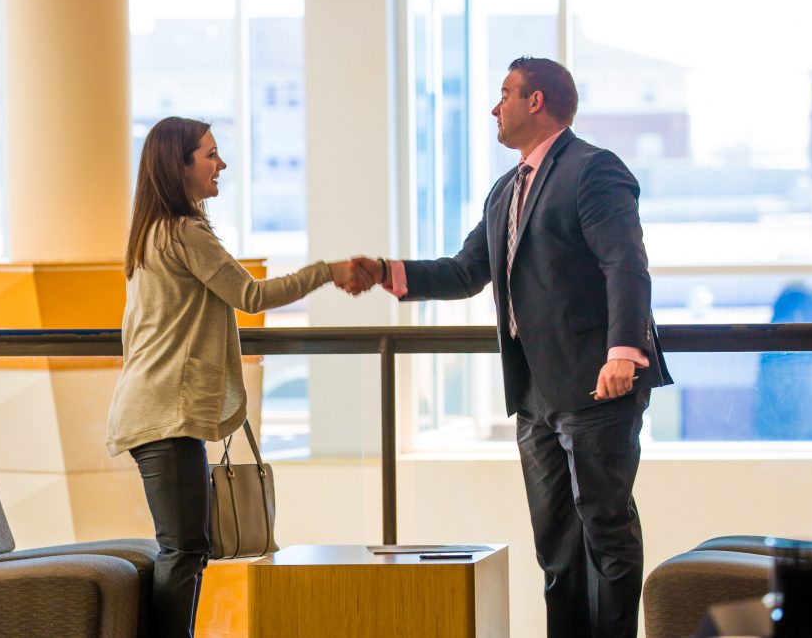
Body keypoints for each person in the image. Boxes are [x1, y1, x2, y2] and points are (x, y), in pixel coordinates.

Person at [351, 57, 672, 637]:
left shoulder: (593, 170)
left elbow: (625, 263)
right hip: (534, 394)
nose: (493, 108)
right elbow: (465, 270)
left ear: (537, 102)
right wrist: (385, 270)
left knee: (607, 533)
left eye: (504, 95)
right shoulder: (505, 191)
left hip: (598, 384)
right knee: (555, 549)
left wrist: (623, 351)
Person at [105, 116, 371, 637]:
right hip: (165, 415)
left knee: (186, 547)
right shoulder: (184, 232)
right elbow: (251, 297)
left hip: (156, 410)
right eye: (210, 154)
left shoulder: (152, 233)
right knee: (185, 550)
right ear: (178, 166)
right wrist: (328, 270)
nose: (220, 164)